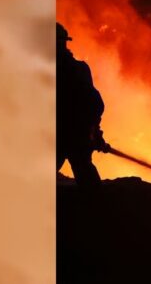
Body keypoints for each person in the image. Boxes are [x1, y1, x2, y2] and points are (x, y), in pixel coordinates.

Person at [57, 22, 109, 188]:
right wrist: (93, 131)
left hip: (64, 135)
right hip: (74, 136)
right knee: (85, 172)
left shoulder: (73, 71)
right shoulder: (79, 69)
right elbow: (95, 105)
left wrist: (94, 132)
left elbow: (93, 104)